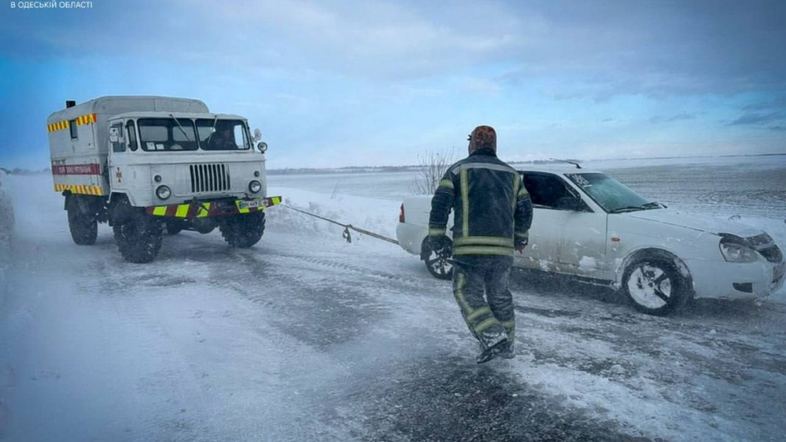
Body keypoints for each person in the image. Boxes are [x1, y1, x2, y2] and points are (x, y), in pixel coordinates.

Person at [428, 125, 533, 363]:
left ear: (472, 144)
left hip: (469, 250)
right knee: (500, 297)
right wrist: (520, 237)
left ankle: (493, 337)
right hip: (502, 251)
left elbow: (440, 205)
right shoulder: (512, 174)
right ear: (494, 145)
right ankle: (507, 347)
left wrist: (436, 237)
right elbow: (525, 209)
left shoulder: (458, 170)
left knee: (466, 292)